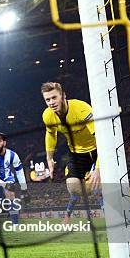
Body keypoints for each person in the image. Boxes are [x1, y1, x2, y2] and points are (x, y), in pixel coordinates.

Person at [41, 82, 100, 224]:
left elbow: (100, 136)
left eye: (54, 98)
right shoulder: (48, 116)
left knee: (106, 184)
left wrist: (98, 168)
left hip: (97, 148)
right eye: (47, 100)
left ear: (63, 96)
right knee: (73, 188)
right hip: (77, 153)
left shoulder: (82, 109)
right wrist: (49, 158)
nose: (51, 102)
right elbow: (51, 135)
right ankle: (97, 189)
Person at [0, 132, 27, 224]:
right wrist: (5, 185)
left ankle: (15, 224)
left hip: (8, 179)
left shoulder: (13, 155)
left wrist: (24, 188)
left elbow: (20, 172)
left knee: (11, 195)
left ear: (4, 142)